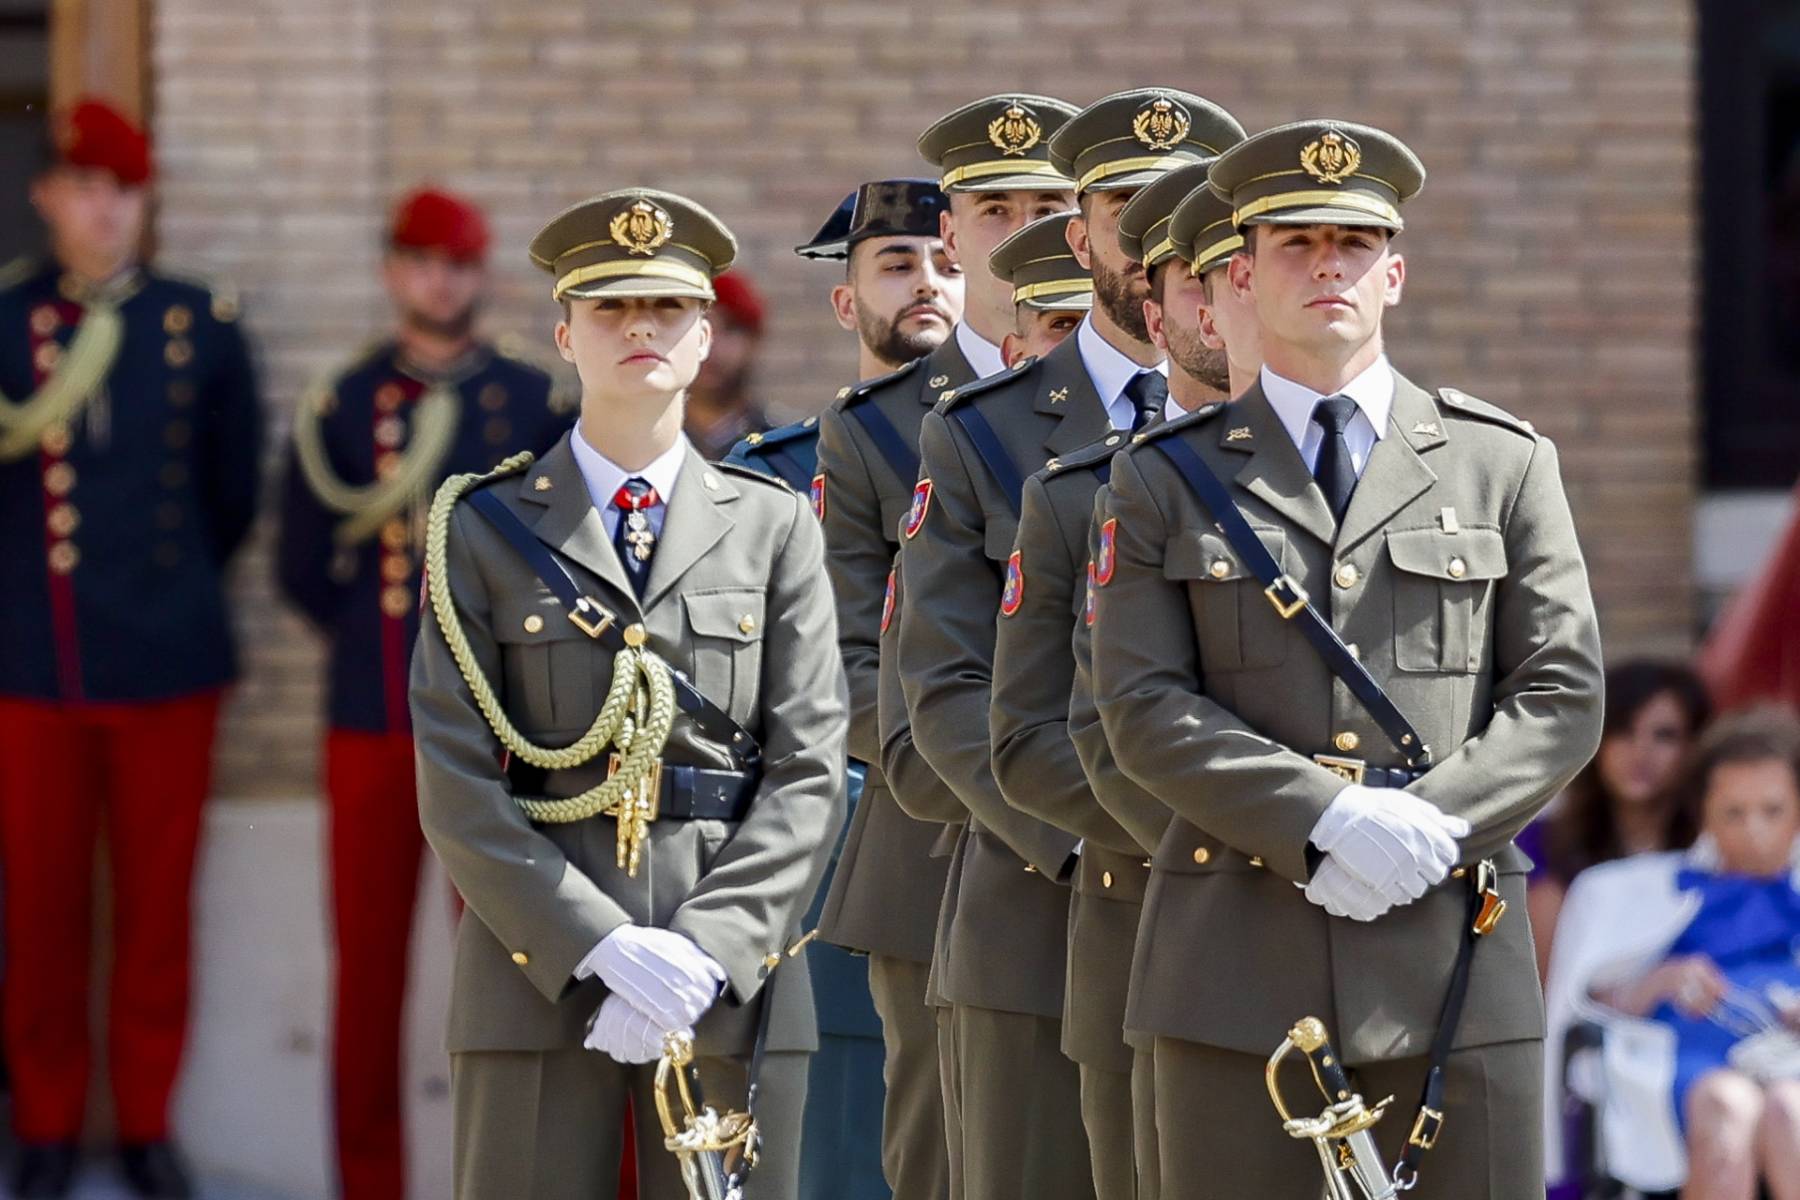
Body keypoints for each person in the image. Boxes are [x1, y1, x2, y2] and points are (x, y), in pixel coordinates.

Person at [1087, 119, 1605, 1198]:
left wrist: (1433, 822)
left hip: (1455, 962)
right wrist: (1321, 821)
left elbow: (1560, 694)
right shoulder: (1158, 481)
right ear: (1242, 274)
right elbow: (1141, 707)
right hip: (1235, 981)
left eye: (1356, 242)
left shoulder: (1501, 462)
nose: (1330, 265)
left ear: (1396, 273)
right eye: (1298, 242)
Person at [410, 188, 847, 1199]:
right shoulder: (481, 530)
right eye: (609, 307)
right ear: (565, 334)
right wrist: (598, 946)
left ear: (706, 339)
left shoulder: (775, 527)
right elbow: (456, 780)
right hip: (535, 970)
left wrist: (705, 951)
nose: (639, 326)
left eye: (668, 308)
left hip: (729, 979)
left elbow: (811, 769)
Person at [895, 88, 1242, 1200]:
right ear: (1079, 234)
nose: (1154, 225)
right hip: (1041, 905)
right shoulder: (979, 432)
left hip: (1249, 922)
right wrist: (1155, 836)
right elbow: (945, 697)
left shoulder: (1287, 422)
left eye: (1181, 200)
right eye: (1123, 203)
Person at [274, 185, 568, 1200]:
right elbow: (302, 568)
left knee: (508, 970)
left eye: (457, 262)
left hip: (498, 730)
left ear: (476, 275)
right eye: (420, 261)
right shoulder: (345, 405)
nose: (439, 279)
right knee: (368, 975)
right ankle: (369, 1185)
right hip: (371, 717)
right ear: (394, 272)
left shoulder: (533, 403)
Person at [0, 97, 263, 1200]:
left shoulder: (200, 324)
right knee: (40, 915)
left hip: (166, 662)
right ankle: (50, 1126)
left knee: (157, 913)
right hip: (34, 664)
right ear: (48, 196)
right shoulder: (8, 322)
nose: (103, 211)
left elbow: (230, 496)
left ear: (141, 204)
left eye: (123, 193)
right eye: (84, 189)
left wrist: (168, 595)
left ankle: (148, 1124)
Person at [822, 94, 1079, 1200]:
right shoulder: (878, 426)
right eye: (993, 207)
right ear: (957, 230)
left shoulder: (1159, 388)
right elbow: (852, 660)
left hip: (1142, 830)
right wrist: (1013, 792)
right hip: (939, 837)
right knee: (947, 1160)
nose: (1018, 226)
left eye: (1047, 205)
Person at [990, 150, 1249, 1200]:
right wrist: (1243, 842)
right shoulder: (1073, 499)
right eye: (1186, 278)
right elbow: (1028, 737)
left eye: (1226, 273)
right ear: (1150, 299)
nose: (1209, 303)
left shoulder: (1355, 473)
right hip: (1143, 911)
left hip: (1346, 947)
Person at [728, 178, 961, 1200]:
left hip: (1014, 852)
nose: (928, 285)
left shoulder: (1040, 458)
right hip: (837, 871)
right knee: (843, 1165)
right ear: (845, 299)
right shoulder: (773, 477)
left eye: (949, 263)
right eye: (899, 264)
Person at [1545, 708, 1800, 1200]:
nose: (1754, 830)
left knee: (1790, 1110)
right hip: (1684, 1058)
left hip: (1790, 1058)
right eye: (1733, 811)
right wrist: (1659, 980)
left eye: (1773, 810)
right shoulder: (1636, 890)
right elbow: (1579, 1011)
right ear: (1704, 810)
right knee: (1728, 1107)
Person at [1522, 660, 1712, 982]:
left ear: (1695, 746)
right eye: (1622, 731)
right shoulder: (1542, 844)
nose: (1641, 752)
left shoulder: (1714, 849)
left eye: (1664, 736)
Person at [685, 268, 768, 458]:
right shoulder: (645, 447)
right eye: (698, 328)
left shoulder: (780, 446)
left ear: (754, 340)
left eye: (730, 329)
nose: (713, 346)